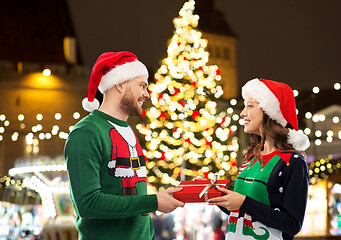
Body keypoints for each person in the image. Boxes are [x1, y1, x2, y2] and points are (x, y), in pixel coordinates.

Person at [64, 51, 184, 240]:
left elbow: (134, 197)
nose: (147, 94)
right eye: (142, 86)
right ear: (119, 84)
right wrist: (153, 202)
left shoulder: (128, 131)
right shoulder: (86, 133)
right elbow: (88, 204)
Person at [208, 78, 310, 240]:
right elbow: (244, 212)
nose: (242, 113)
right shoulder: (252, 157)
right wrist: (217, 195)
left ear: (269, 112)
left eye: (250, 106)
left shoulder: (293, 161)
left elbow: (292, 224)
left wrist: (244, 202)